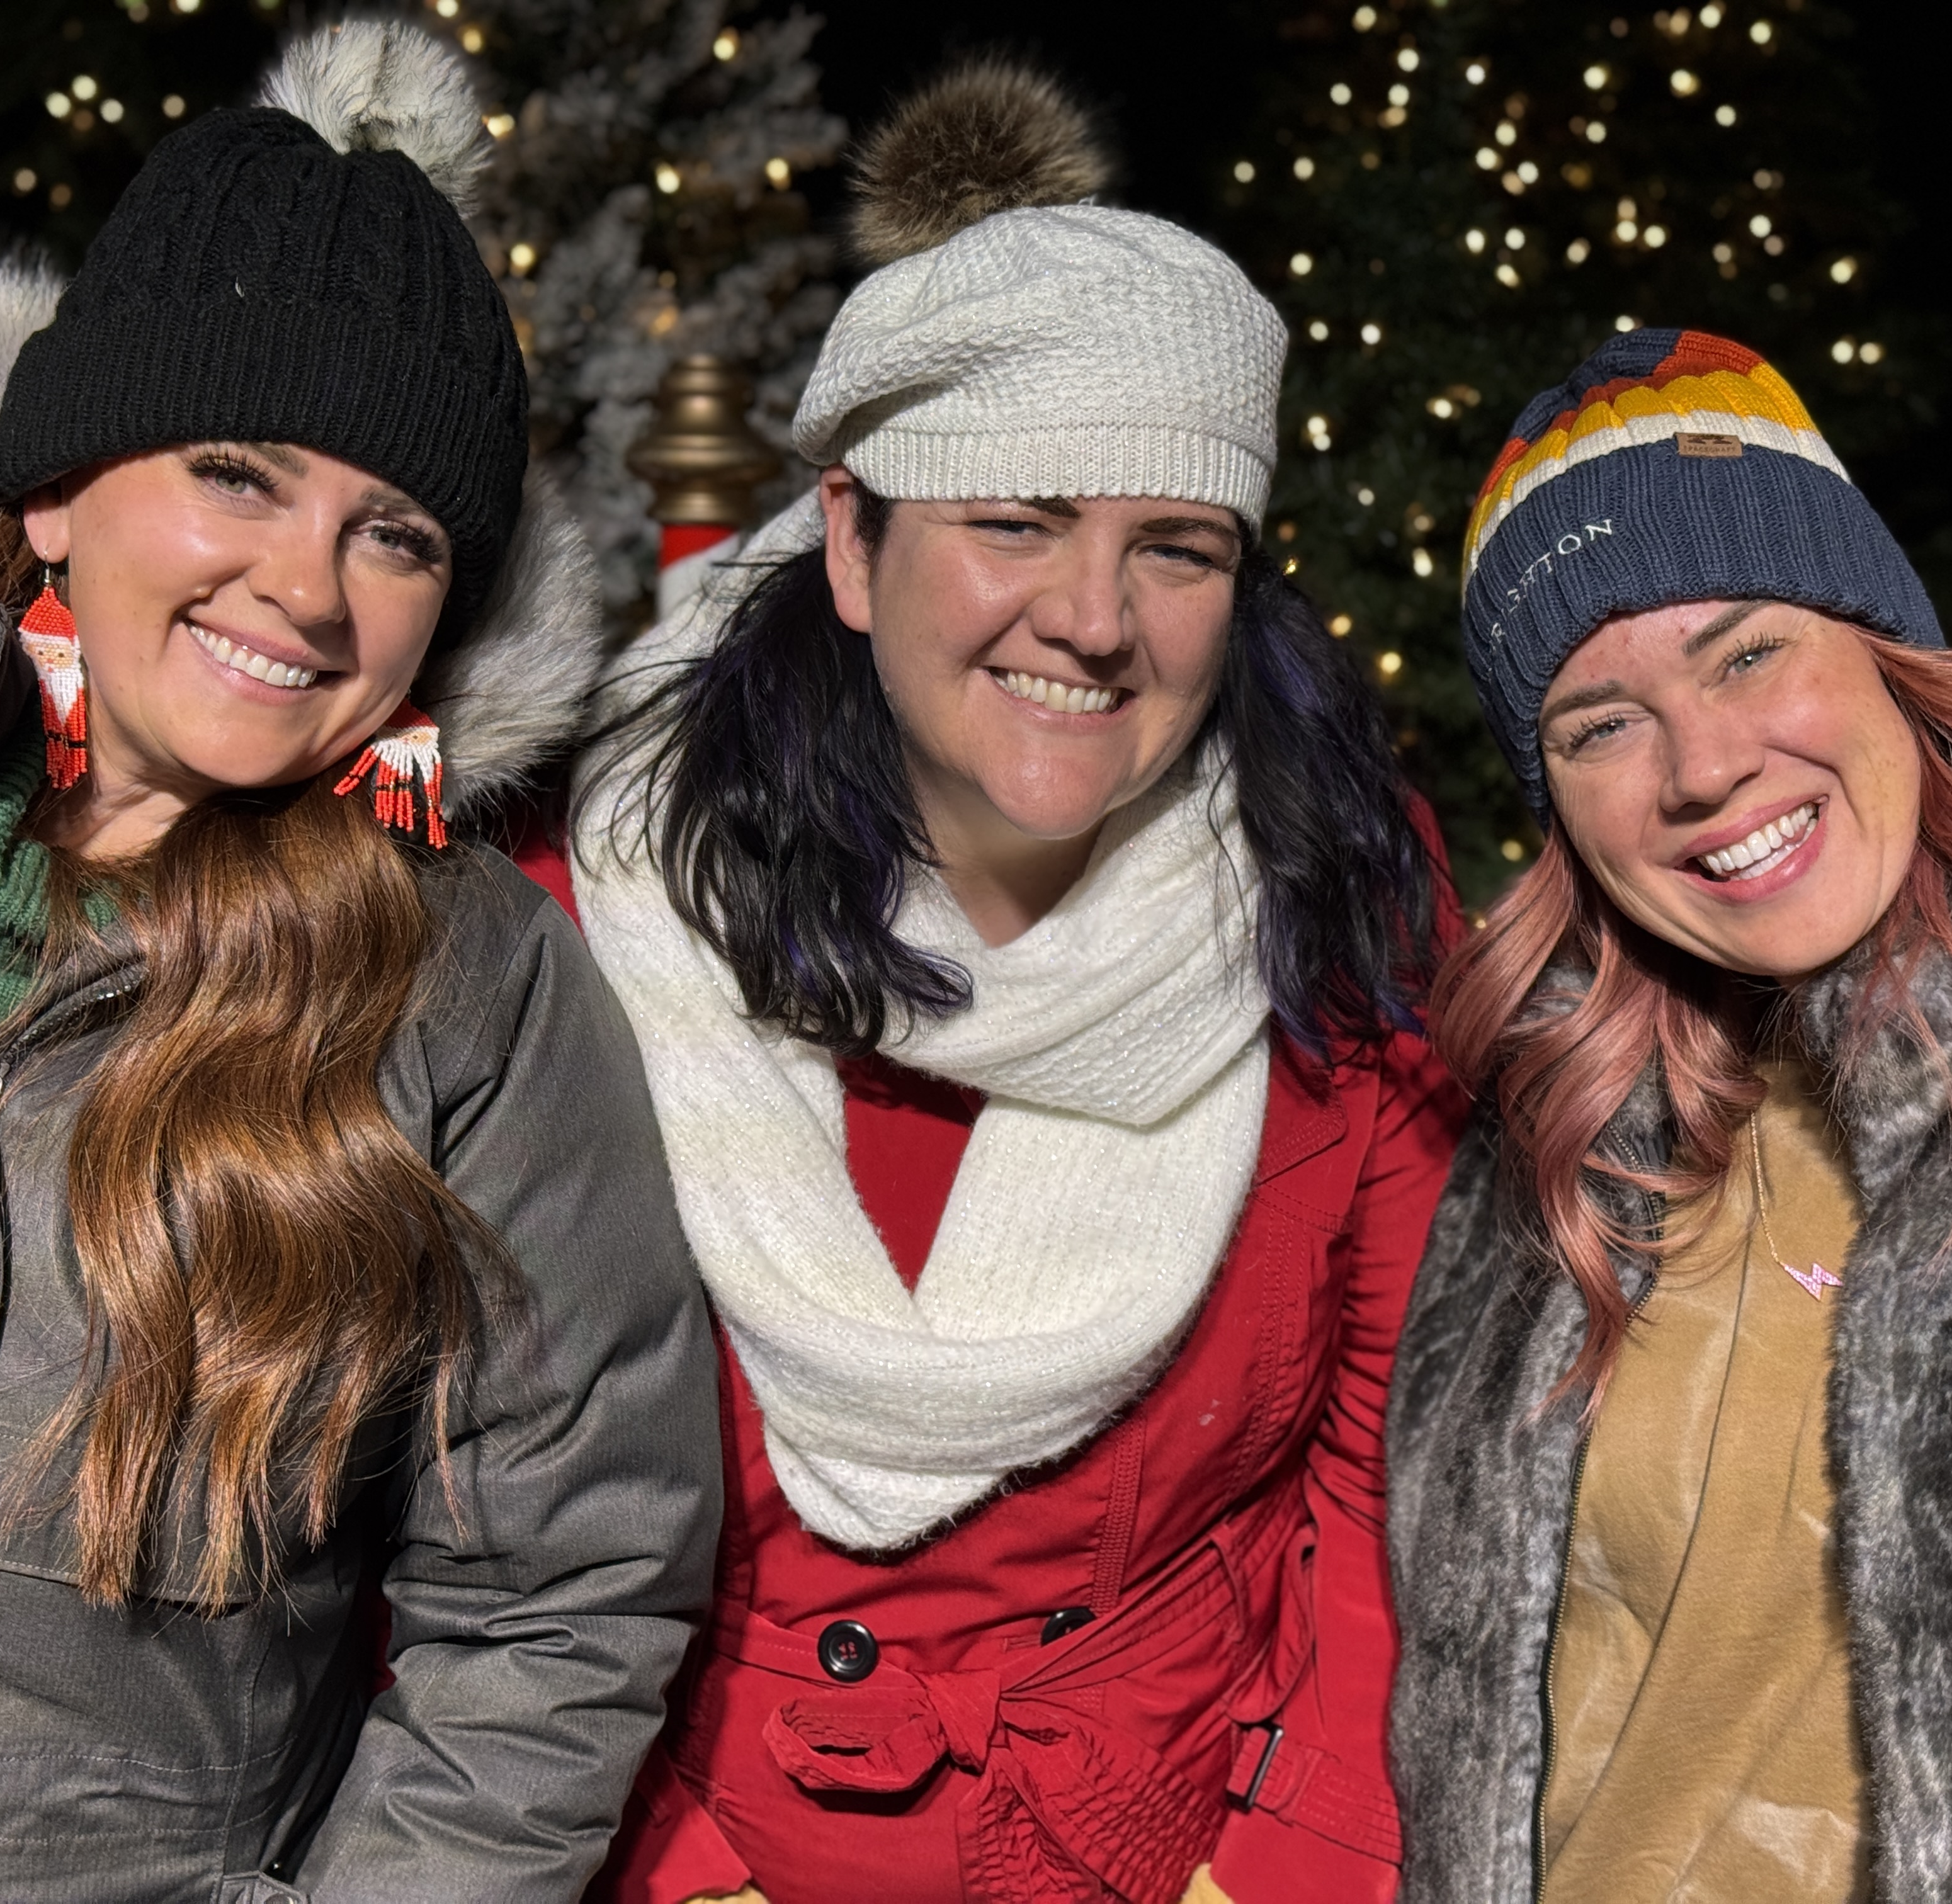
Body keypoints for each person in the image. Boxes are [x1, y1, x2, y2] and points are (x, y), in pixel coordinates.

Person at [0, 24, 718, 1902]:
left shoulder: (465, 991)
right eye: (237, 473)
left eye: (394, 535)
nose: (308, 589)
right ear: (59, 489)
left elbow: (562, 1595)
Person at [513, 61, 1463, 1904]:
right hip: (677, 1831)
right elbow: (477, 1498)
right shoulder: (603, 900)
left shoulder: (1336, 896)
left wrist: (1281, 1868)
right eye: (1017, 522)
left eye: (1174, 547)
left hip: (1158, 1844)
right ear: (854, 543)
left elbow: (1386, 1461)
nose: (1095, 621)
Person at [1384, 326, 1952, 1901]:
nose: (1702, 767)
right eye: (1598, 724)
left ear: (1886, 648)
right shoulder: (1557, 1141)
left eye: (1747, 652)